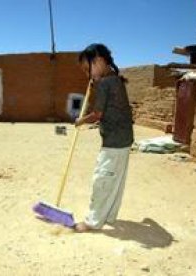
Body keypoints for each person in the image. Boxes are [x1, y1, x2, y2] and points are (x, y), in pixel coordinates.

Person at [74, 43, 134, 232]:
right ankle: (109, 216)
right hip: (124, 139)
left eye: (87, 68)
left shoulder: (105, 83)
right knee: (116, 180)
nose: (87, 74)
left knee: (102, 180)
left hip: (114, 143)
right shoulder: (115, 79)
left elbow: (97, 114)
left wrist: (80, 120)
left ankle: (92, 221)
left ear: (99, 61)